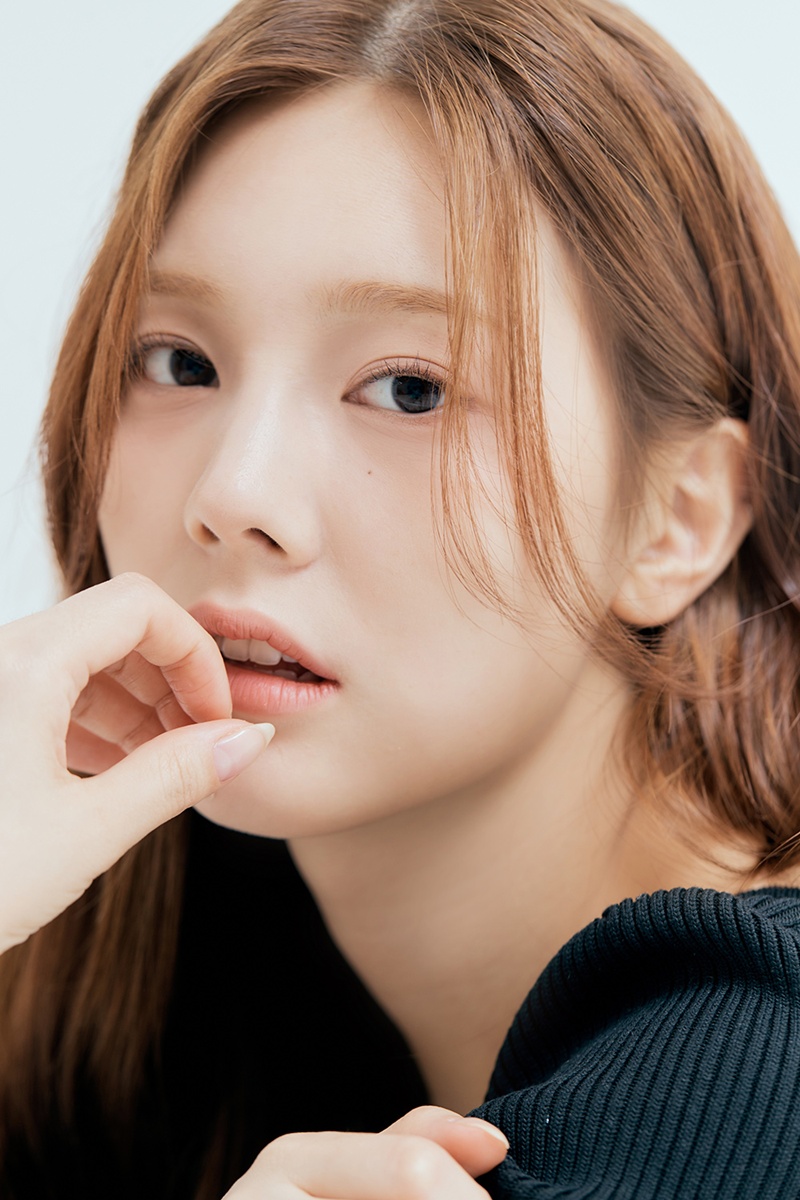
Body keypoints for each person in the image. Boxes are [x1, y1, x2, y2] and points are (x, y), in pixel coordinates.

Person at [2, 0, 800, 1195]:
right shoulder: (149, 984)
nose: (233, 494)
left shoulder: (752, 1089)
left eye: (409, 389)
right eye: (179, 362)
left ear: (676, 519)